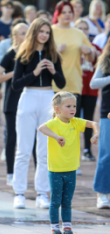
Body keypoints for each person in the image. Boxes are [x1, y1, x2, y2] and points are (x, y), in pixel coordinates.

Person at [11, 18, 66, 209]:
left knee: (45, 150)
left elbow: (61, 83)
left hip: (48, 100)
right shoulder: (23, 54)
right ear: (34, 33)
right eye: (41, 31)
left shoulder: (54, 55)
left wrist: (52, 70)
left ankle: (42, 193)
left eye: (47, 32)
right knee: (23, 149)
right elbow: (15, 84)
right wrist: (34, 72)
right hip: (28, 97)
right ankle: (19, 193)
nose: (44, 35)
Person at [38, 91, 99, 234]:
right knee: (55, 201)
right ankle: (54, 228)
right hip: (55, 170)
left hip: (71, 169)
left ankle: (67, 227)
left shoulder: (76, 122)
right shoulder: (53, 123)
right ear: (57, 109)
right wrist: (56, 136)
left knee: (67, 201)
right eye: (68, 106)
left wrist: (96, 134)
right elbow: (42, 128)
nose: (73, 109)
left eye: (74, 106)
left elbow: (94, 123)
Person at [0, 22, 28, 186]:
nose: (26, 36)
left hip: (30, 101)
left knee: (30, 140)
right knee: (12, 138)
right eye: (22, 33)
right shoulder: (10, 54)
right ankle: (10, 173)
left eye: (27, 33)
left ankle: (29, 175)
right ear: (14, 36)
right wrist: (15, 73)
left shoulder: (34, 54)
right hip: (12, 100)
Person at [52, 1, 95, 119]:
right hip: (53, 84)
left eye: (70, 12)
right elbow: (42, 56)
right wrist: (56, 51)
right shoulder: (51, 31)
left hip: (74, 84)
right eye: (63, 12)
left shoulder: (78, 33)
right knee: (54, 124)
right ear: (58, 13)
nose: (67, 14)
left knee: (70, 125)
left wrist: (89, 52)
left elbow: (90, 58)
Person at [74, 19, 102, 162]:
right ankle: (74, 152)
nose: (83, 31)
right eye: (80, 28)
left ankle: (87, 150)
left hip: (90, 90)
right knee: (74, 121)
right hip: (75, 89)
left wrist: (95, 53)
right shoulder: (72, 46)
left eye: (85, 28)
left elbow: (102, 65)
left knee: (89, 120)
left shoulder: (95, 46)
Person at [90, 37, 110, 209]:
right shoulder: (106, 60)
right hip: (108, 113)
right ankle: (102, 193)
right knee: (106, 153)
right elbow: (93, 82)